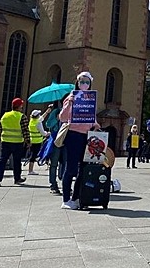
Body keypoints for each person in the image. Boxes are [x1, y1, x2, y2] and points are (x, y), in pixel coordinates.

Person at [58, 72, 100, 209]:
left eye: (87, 82)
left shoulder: (89, 98)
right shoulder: (71, 97)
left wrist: (95, 124)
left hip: (86, 136)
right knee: (70, 168)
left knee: (84, 169)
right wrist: (69, 104)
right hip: (73, 135)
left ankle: (76, 198)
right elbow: (62, 118)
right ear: (77, 82)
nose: (84, 84)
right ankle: (65, 200)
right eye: (82, 81)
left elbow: (91, 116)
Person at [0, 98, 29, 187]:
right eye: (21, 105)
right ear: (19, 106)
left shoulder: (5, 115)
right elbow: (25, 130)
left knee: (2, 160)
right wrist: (28, 141)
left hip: (5, 142)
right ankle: (17, 178)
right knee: (17, 161)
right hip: (17, 143)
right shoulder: (21, 116)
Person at [45, 99, 66, 194]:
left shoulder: (71, 112)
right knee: (54, 164)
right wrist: (57, 118)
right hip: (56, 141)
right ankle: (53, 185)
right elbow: (48, 124)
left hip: (67, 141)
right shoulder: (56, 111)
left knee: (66, 164)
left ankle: (66, 185)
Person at [27, 107, 52, 175]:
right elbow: (43, 133)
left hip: (32, 141)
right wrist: (48, 133)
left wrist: (47, 112)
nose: (40, 115)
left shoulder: (32, 121)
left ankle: (30, 169)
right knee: (33, 156)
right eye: (39, 114)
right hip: (37, 141)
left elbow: (41, 118)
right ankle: (30, 170)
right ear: (37, 116)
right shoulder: (38, 123)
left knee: (32, 155)